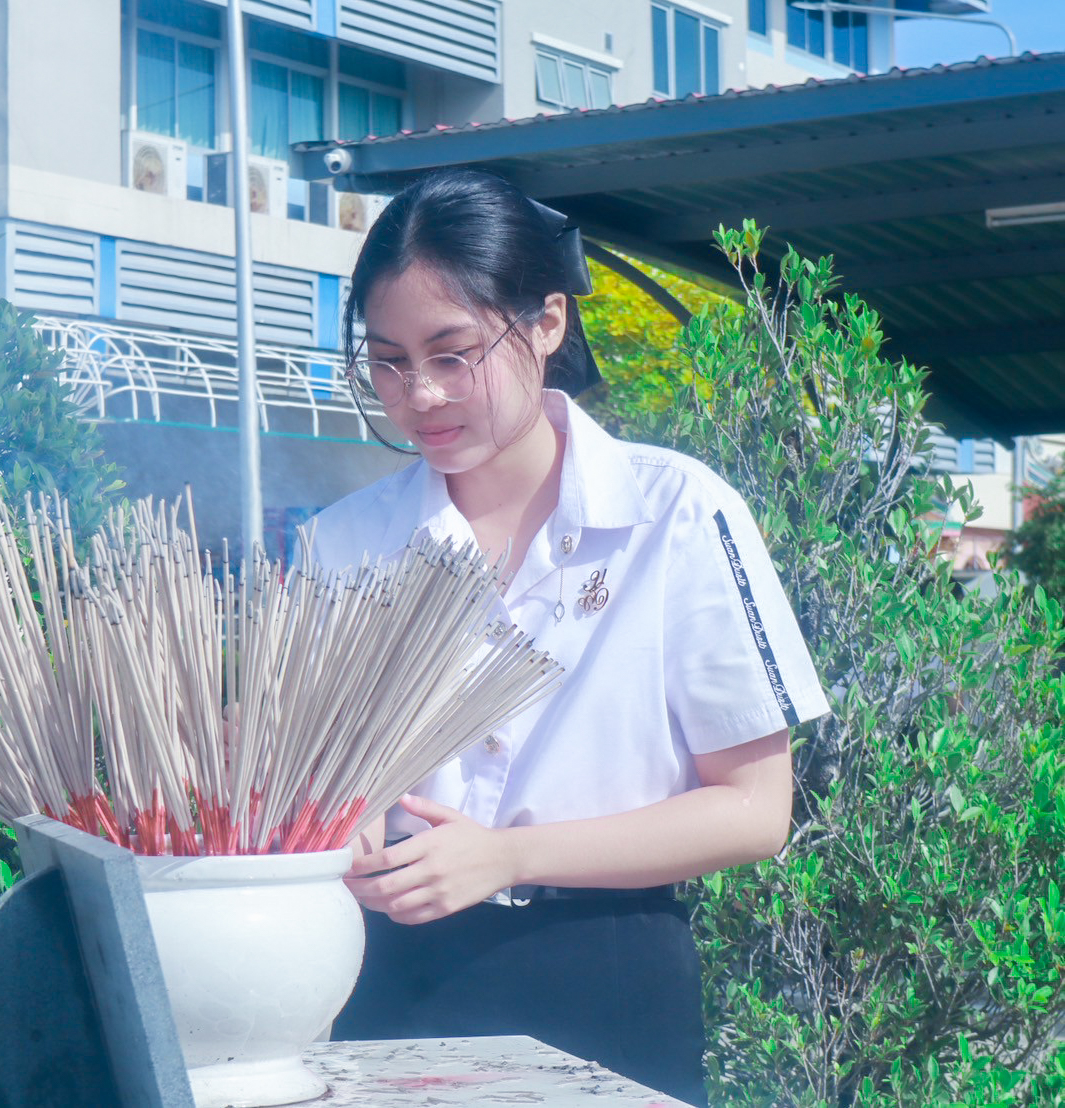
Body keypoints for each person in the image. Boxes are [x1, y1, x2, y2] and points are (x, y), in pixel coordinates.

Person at [308, 169, 829, 1106]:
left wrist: (508, 855)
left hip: (607, 980)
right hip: (382, 980)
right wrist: (331, 831)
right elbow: (320, 787)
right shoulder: (343, 543)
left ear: (547, 321)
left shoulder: (676, 511)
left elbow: (755, 810)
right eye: (386, 361)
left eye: (452, 353)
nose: (418, 394)